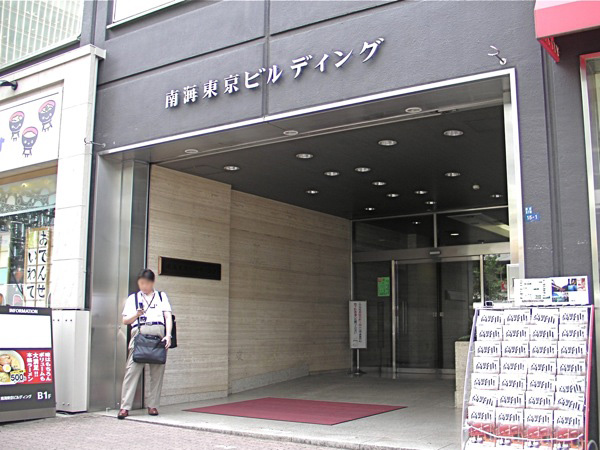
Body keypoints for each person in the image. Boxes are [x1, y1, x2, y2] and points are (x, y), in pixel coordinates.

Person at [118, 269, 173, 419]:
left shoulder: (161, 296)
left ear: (152, 282)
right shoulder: (133, 298)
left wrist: (168, 335)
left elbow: (168, 317)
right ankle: (125, 407)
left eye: (147, 283)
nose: (144, 286)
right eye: (141, 283)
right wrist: (136, 314)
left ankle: (153, 405)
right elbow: (125, 321)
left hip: (158, 334)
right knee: (131, 371)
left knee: (157, 372)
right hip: (139, 333)